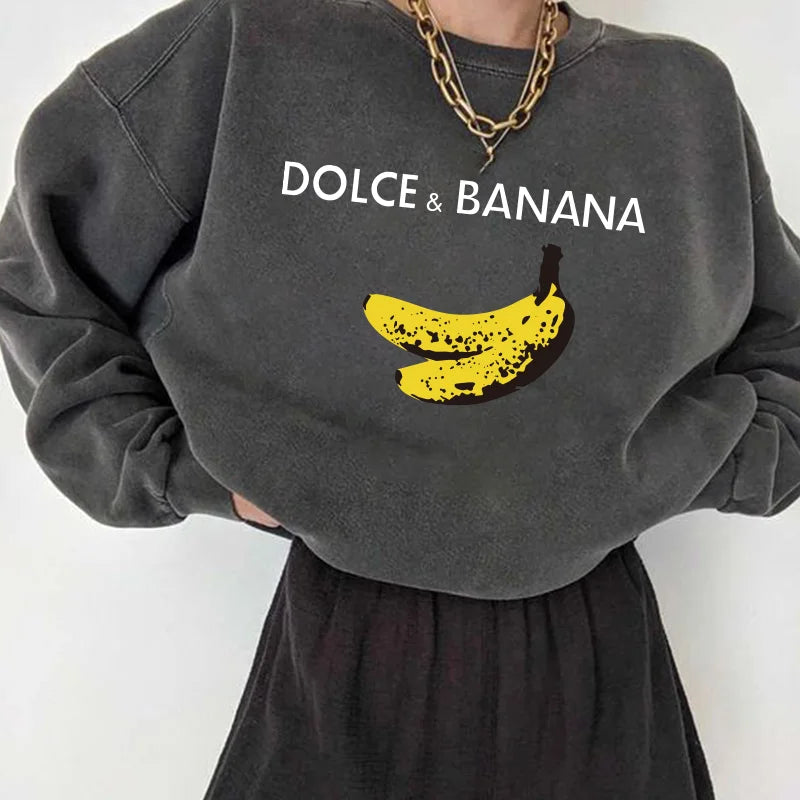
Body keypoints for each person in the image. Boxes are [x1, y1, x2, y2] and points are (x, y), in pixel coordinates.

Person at [1, 0, 798, 797]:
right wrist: (166, 466)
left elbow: (786, 338)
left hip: (601, 650)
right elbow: (43, 275)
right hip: (332, 635)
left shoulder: (682, 95)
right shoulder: (251, 38)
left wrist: (709, 464)